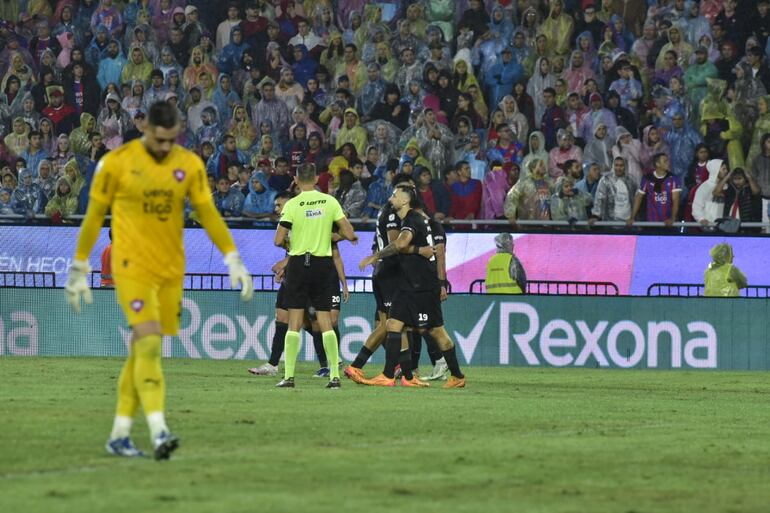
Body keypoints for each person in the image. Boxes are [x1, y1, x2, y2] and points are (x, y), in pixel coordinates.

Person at [63, 101, 254, 460]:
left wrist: (232, 258)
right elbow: (93, 216)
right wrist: (79, 265)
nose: (166, 147)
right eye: (160, 139)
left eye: (172, 139)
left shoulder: (189, 164)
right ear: (145, 128)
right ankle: (158, 430)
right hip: (131, 265)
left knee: (142, 348)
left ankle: (119, 434)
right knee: (149, 343)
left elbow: (208, 213)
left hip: (170, 270)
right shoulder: (117, 163)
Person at [358, 184, 466, 388]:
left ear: (406, 200)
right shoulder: (408, 219)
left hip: (423, 287)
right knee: (393, 324)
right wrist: (417, 249)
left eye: (395, 195)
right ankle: (390, 375)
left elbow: (399, 244)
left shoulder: (412, 219)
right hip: (408, 285)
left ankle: (457, 376)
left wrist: (375, 255)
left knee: (437, 332)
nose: (391, 198)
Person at [273, 163, 358, 389]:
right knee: (325, 321)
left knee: (295, 322)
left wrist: (295, 241)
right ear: (318, 178)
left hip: (300, 264)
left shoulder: (292, 204)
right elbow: (349, 233)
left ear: (297, 179)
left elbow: (278, 240)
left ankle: (289, 377)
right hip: (323, 264)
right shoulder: (330, 202)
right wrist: (333, 236)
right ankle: (334, 377)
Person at [628, 153, 681, 227]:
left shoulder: (673, 179)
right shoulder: (647, 178)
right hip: (651, 222)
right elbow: (638, 198)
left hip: (668, 223)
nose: (668, 163)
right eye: (665, 161)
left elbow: (676, 200)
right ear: (657, 164)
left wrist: (672, 218)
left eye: (668, 160)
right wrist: (632, 217)